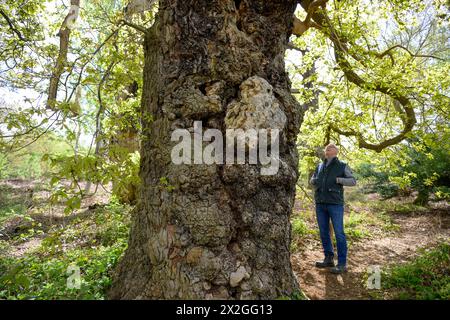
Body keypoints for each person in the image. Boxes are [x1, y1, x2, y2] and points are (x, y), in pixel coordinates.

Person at [310, 143, 356, 274]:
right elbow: (313, 179)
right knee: (324, 232)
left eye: (331, 147)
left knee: (339, 233)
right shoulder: (319, 166)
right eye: (327, 148)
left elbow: (353, 181)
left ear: (336, 151)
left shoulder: (342, 165)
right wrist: (314, 181)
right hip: (320, 203)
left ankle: (342, 264)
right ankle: (328, 258)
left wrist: (338, 180)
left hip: (335, 204)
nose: (328, 149)